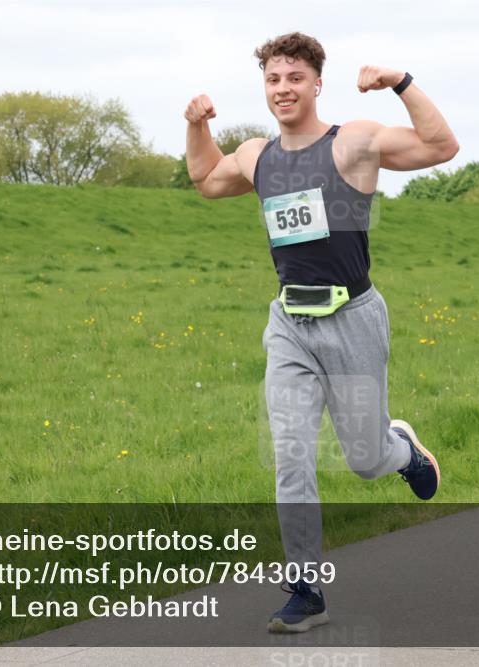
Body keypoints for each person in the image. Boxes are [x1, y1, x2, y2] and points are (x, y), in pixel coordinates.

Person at [183, 31, 459, 633]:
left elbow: (442, 146)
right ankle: (306, 591)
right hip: (290, 324)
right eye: (273, 80)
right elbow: (206, 179)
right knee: (291, 456)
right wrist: (197, 126)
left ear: (315, 84)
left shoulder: (353, 143)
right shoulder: (257, 155)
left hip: (353, 319)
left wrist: (400, 83)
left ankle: (402, 450)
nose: (283, 89)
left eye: (294, 79)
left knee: (363, 460)